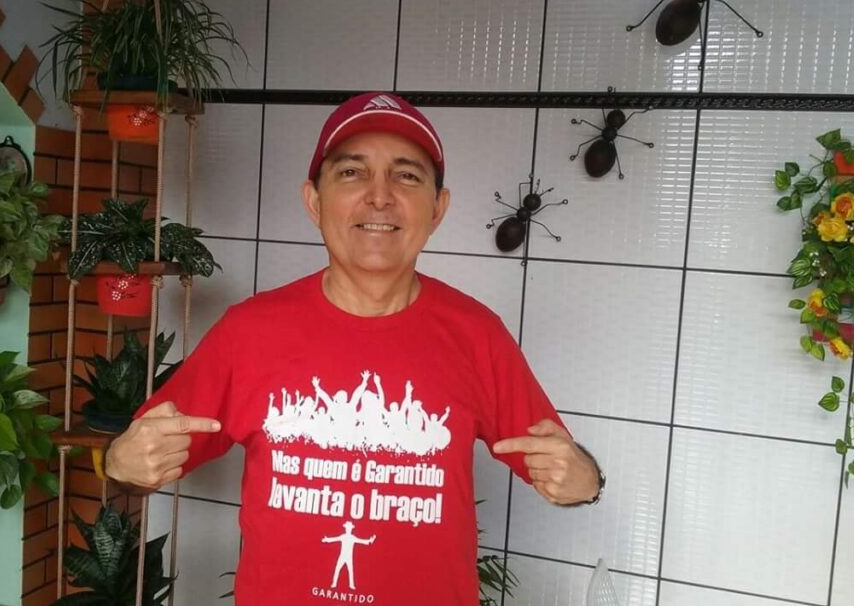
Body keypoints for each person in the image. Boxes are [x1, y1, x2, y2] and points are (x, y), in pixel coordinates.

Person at [104, 92, 605, 605]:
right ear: (314, 202)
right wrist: (123, 461)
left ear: (438, 208)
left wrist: (584, 479)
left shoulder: (478, 336)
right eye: (351, 173)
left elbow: (561, 464)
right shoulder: (248, 332)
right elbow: (141, 460)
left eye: (406, 175)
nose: (379, 196)